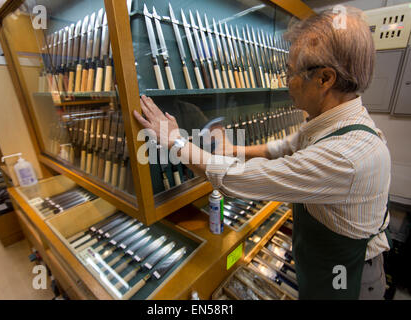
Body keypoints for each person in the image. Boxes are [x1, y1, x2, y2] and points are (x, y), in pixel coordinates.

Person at [133, 7, 391, 300]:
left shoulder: (346, 157)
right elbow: (283, 148)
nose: (285, 81)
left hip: (347, 282)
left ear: (325, 79)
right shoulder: (339, 121)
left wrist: (176, 141)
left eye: (290, 72)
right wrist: (234, 148)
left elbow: (236, 180)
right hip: (324, 266)